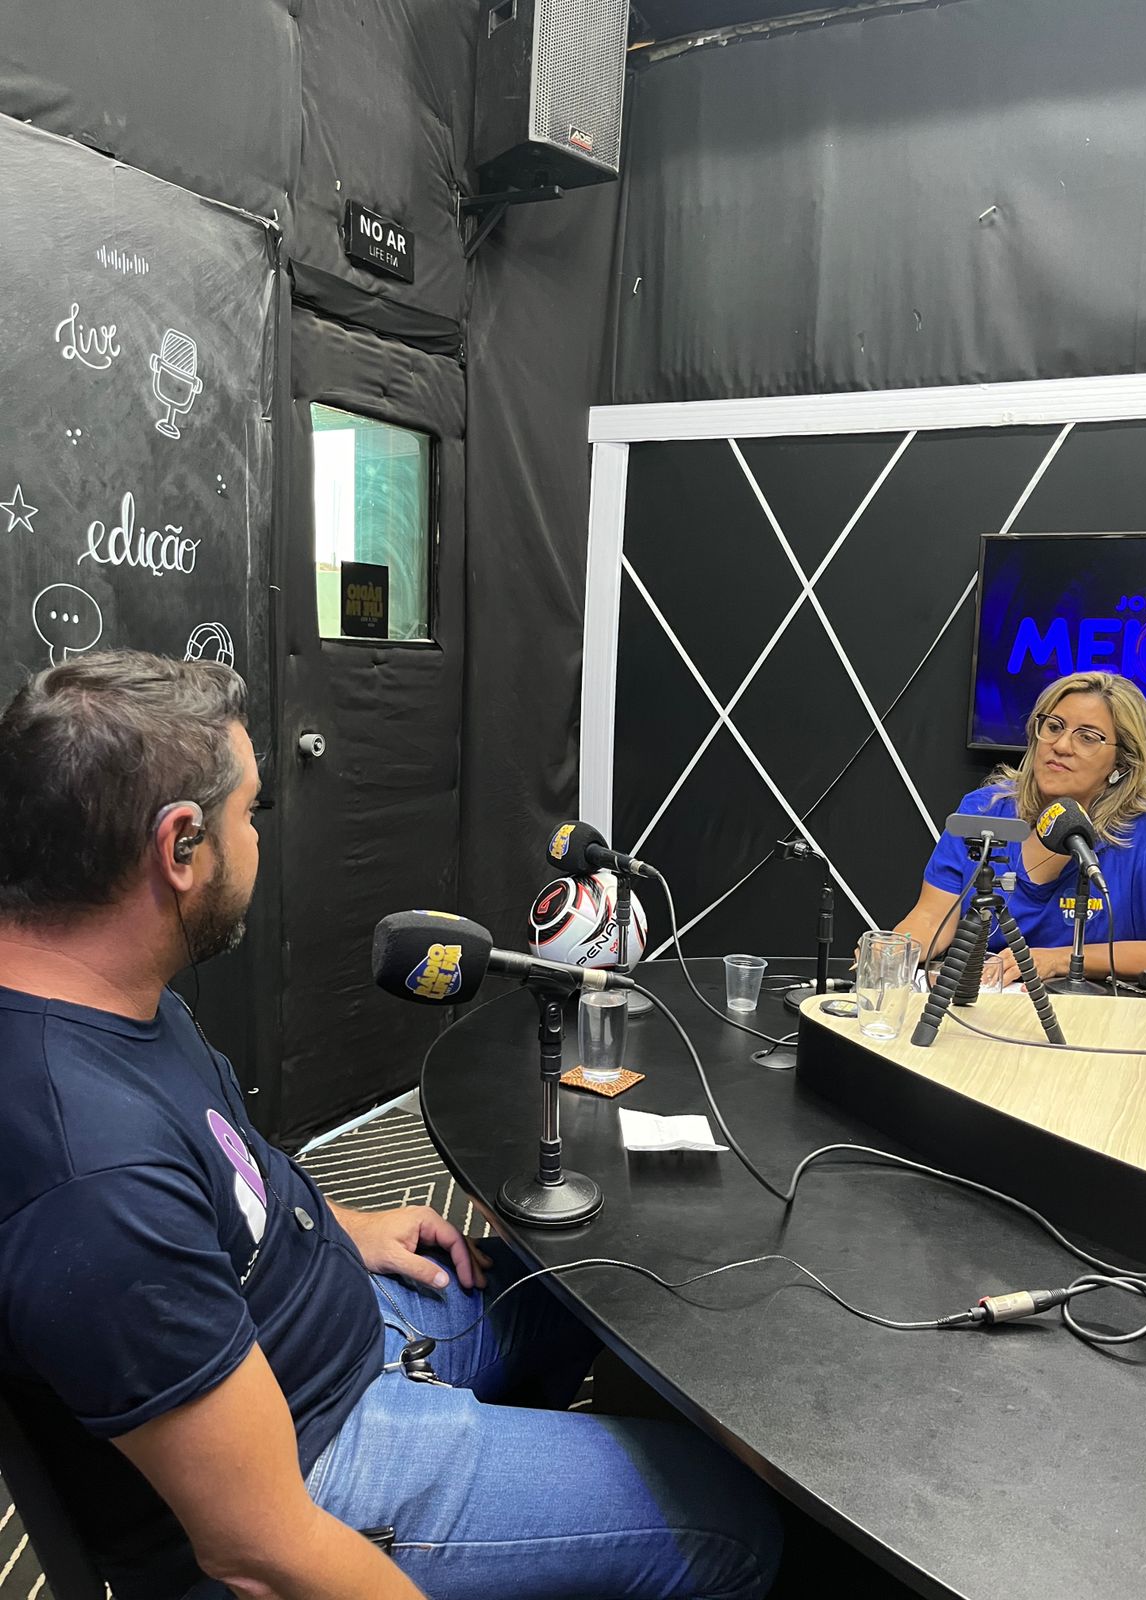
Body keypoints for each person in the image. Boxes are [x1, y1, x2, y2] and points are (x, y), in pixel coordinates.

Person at [0, 652, 782, 1600]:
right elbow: (261, 1549)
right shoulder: (89, 1177)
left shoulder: (105, 987)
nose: (258, 839)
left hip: (333, 1327)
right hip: (318, 1461)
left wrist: (340, 1225)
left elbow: (221, 1168)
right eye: (250, 814)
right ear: (180, 845)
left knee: (596, 1288)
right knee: (737, 1526)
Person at [895, 671, 1146, 986]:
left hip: (1102, 1006)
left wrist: (1056, 960)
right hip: (990, 997)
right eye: (1054, 727)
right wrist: (894, 951)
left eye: (1087, 737)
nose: (1061, 745)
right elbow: (931, 917)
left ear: (1121, 762)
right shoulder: (985, 809)